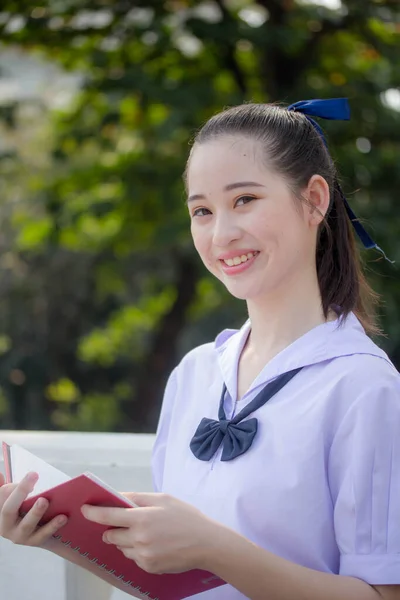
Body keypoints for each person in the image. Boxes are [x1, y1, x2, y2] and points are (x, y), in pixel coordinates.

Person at [1, 98, 400, 600]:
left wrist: (215, 548)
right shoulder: (194, 373)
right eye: (202, 211)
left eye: (245, 200)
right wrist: (55, 534)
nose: (222, 234)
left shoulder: (364, 387)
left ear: (315, 200)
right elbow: (169, 583)